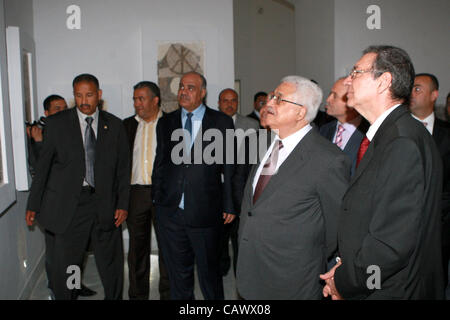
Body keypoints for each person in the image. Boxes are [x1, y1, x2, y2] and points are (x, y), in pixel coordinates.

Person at [320, 45, 444, 300]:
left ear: (384, 81)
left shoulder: (401, 141)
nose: (348, 80)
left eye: (356, 72)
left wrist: (343, 282)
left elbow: (390, 244)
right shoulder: (392, 133)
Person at [236, 76, 350, 299]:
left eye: (279, 99)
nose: (268, 104)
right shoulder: (266, 143)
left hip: (293, 279)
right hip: (251, 269)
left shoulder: (328, 159)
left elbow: (337, 227)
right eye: (271, 97)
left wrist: (302, 255)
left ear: (301, 113)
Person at [26, 73, 130, 300]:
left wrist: (123, 204)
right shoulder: (56, 124)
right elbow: (43, 169)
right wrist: (33, 205)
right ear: (74, 96)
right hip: (70, 207)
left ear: (99, 95)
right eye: (79, 95)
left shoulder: (114, 125)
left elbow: (123, 170)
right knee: (71, 264)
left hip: (105, 205)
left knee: (110, 264)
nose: (84, 100)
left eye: (89, 95)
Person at [152, 72, 235, 300]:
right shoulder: (166, 122)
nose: (183, 91)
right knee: (179, 276)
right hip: (171, 213)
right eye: (181, 87)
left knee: (209, 275)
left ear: (202, 92)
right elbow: (160, 164)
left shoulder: (221, 122)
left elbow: (229, 166)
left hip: (206, 212)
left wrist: (229, 203)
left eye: (190, 87)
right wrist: (157, 202)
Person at [122, 81, 170, 300]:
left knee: (168, 249)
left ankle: (168, 295)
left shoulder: (172, 124)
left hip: (165, 195)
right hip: (136, 195)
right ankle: (137, 296)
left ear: (155, 100)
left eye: (141, 99)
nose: (137, 104)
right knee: (137, 251)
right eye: (134, 99)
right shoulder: (127, 126)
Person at [409, 73, 450, 294]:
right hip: (402, 228)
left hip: (439, 227)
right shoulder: (398, 131)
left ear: (434, 95)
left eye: (417, 89)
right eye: (410, 89)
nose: (411, 94)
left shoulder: (447, 134)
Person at [217, 88, 259, 276]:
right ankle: (221, 266)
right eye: (225, 100)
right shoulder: (209, 123)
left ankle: (240, 272)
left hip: (241, 189)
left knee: (238, 234)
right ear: (218, 103)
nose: (229, 104)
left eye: (233, 100)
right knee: (218, 234)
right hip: (216, 188)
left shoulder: (251, 124)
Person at [320, 77, 369, 176]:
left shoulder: (369, 135)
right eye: (330, 93)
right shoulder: (324, 130)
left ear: (351, 101)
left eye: (335, 96)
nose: (328, 100)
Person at [27, 95, 68, 176]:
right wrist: (39, 142)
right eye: (57, 109)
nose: (63, 112)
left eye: (65, 108)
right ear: (47, 113)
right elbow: (37, 166)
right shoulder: (37, 133)